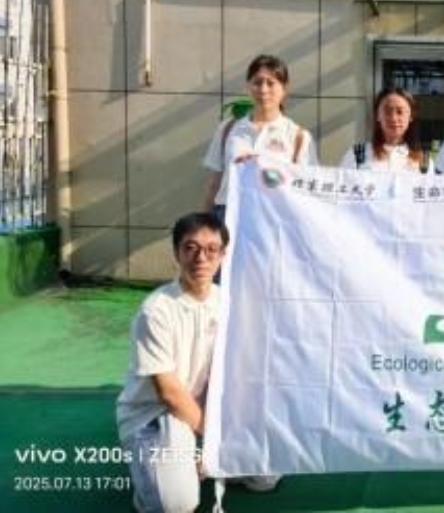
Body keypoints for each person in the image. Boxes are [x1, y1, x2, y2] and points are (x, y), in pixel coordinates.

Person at [116, 212, 228, 513]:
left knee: (264, 477)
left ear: (223, 255)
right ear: (177, 253)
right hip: (155, 416)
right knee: (175, 505)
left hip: (200, 412)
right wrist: (214, 439)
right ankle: (151, 478)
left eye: (211, 249)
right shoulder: (157, 311)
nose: (201, 258)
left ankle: (193, 457)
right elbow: (170, 393)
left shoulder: (227, 303)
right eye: (191, 248)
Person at [202, 54, 318, 217]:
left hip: (273, 216)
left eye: (271, 83)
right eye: (257, 82)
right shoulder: (228, 129)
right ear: (248, 87)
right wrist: (204, 220)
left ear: (284, 89)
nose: (263, 90)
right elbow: (214, 182)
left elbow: (306, 189)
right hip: (228, 214)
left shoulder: (298, 137)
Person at [340, 87, 426, 172]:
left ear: (411, 116)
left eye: (400, 112)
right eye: (387, 111)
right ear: (377, 115)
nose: (393, 118)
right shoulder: (356, 155)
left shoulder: (423, 161)